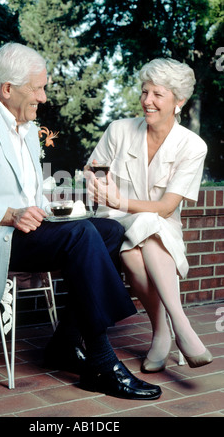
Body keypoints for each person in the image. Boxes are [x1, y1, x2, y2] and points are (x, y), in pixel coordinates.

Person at [0, 42, 161, 400]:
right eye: (38, 88)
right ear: (7, 89)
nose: (45, 97)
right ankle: (102, 361)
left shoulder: (26, 130)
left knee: (110, 229)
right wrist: (8, 214)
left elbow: (29, 198)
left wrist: (49, 209)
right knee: (81, 236)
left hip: (20, 232)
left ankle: (66, 342)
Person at [86, 58, 213, 373]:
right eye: (144, 92)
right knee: (138, 228)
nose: (147, 101)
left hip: (160, 229)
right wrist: (98, 181)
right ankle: (180, 324)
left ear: (178, 101)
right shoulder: (119, 129)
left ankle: (161, 331)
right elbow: (95, 170)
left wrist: (120, 198)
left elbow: (167, 208)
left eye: (157, 94)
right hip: (114, 220)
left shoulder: (193, 146)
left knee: (133, 251)